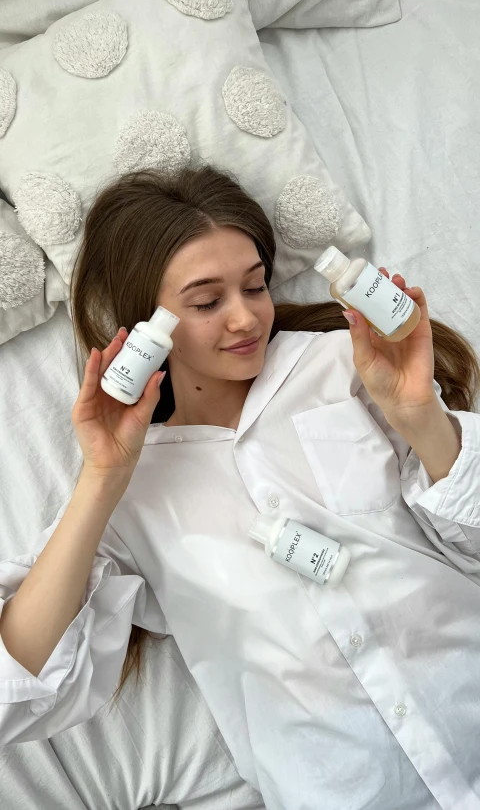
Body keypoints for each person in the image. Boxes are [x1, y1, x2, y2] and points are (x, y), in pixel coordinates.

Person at [1, 164, 480, 810]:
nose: (246, 319)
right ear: (146, 325)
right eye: (206, 302)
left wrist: (419, 413)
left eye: (255, 287)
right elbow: (17, 686)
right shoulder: (128, 495)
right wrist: (102, 477)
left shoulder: (345, 365)